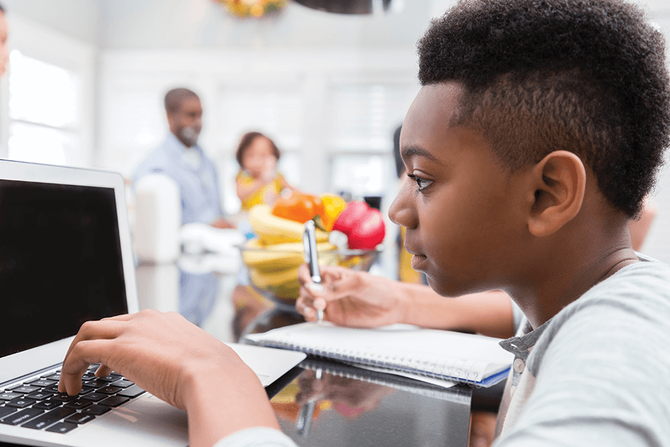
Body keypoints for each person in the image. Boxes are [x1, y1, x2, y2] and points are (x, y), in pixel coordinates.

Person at [57, 1, 670, 447]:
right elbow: (521, 316)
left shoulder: (620, 354)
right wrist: (398, 300)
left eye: (423, 178)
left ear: (547, 194)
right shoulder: (593, 294)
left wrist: (216, 377)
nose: (398, 209)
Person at [133, 88, 234, 229]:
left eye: (200, 115)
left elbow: (217, 213)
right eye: (191, 115)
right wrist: (207, 226)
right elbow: (155, 225)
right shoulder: (153, 167)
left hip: (219, 246)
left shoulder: (208, 162)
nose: (198, 123)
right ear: (169, 116)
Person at [235, 131, 292, 211]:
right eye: (251, 156)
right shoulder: (243, 176)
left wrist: (281, 199)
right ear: (242, 159)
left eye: (263, 155)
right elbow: (240, 194)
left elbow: (293, 191)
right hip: (247, 218)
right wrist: (261, 181)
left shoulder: (277, 177)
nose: (257, 161)